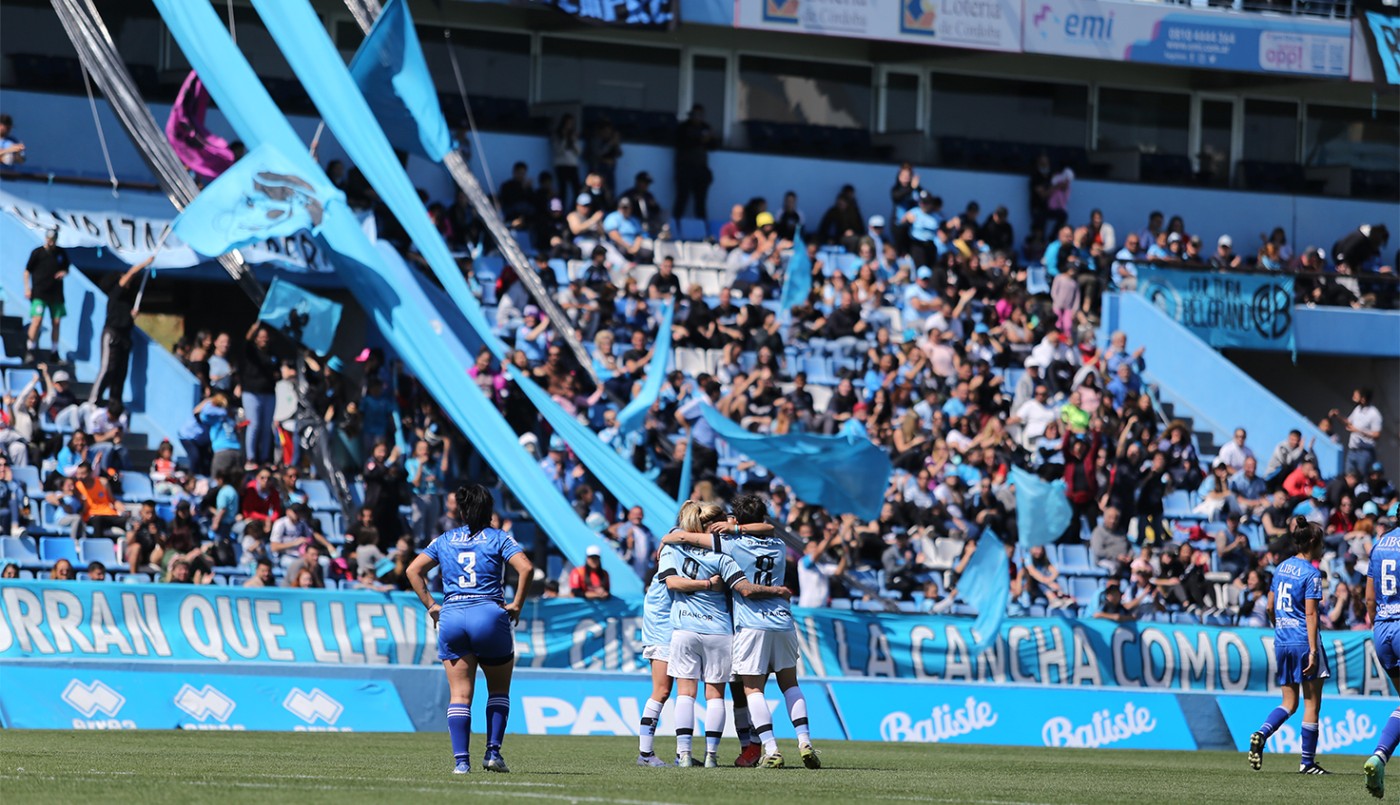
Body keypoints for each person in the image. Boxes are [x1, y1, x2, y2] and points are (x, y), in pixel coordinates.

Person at [663, 494, 818, 769]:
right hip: (783, 621)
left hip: (750, 624)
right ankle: (804, 741)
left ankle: (769, 749)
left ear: (736, 519)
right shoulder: (779, 544)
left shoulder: (732, 544)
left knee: (750, 690)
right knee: (790, 685)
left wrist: (680, 532)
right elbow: (769, 529)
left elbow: (684, 539)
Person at [405, 484, 534, 774]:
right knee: (498, 690)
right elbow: (526, 568)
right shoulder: (499, 538)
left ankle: (461, 763)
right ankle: (492, 754)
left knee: (460, 695)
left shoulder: (445, 539)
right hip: (489, 613)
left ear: (462, 511)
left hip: (452, 616)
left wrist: (431, 605)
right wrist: (517, 604)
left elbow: (413, 570)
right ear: (489, 511)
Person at [1246, 518, 1329, 775]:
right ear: (1314, 543)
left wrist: (1279, 627)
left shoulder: (1281, 568)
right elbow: (1311, 615)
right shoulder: (1311, 573)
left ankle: (1261, 733)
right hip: (1304, 641)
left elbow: (1270, 606)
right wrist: (1314, 651)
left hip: (1282, 640)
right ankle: (1307, 763)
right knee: (1311, 703)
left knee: (1288, 702)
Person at [1364, 521, 1400, 797]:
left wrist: (1378, 623)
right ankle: (1381, 755)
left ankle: (1379, 756)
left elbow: (1369, 597)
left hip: (1382, 631)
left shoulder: (1380, 545)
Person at [89, 256, 154, 405]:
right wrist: (145, 263)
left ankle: (115, 402)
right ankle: (94, 400)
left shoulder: (127, 301)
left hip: (125, 337)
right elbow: (130, 273)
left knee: (121, 372)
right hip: (112, 334)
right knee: (108, 368)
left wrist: (132, 316)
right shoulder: (115, 293)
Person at [24, 229, 69, 361]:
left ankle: (54, 351)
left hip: (56, 294)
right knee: (37, 320)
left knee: (56, 322)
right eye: (48, 239)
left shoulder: (61, 253)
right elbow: (27, 272)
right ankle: (30, 348)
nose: (50, 242)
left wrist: (64, 272)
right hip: (39, 292)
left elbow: (66, 268)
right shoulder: (37, 253)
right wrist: (27, 288)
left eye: (53, 240)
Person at [673, 105, 714, 221]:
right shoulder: (683, 128)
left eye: (700, 115)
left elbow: (713, 146)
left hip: (701, 170)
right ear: (690, 115)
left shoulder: (706, 127)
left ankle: (702, 228)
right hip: (684, 170)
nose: (698, 117)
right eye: (695, 115)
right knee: (682, 198)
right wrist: (699, 140)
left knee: (701, 200)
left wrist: (710, 138)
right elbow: (680, 144)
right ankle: (676, 225)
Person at [1332, 388, 1383, 475]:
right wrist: (1338, 416)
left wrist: (1359, 431)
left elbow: (1377, 435)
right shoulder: (1358, 409)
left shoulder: (1374, 414)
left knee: (1360, 478)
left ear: (1363, 399)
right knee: (1348, 476)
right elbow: (1349, 423)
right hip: (1352, 450)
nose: (1354, 397)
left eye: (1356, 395)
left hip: (1365, 453)